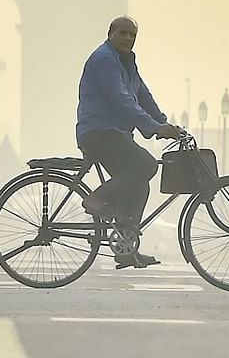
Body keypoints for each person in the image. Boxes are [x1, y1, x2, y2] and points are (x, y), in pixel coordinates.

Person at [76, 16, 181, 269]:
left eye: (132, 35)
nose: (127, 38)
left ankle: (125, 248)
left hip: (114, 133)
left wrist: (165, 123)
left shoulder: (126, 63)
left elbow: (142, 95)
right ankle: (95, 199)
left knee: (138, 186)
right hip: (99, 131)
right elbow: (122, 100)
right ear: (110, 33)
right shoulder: (104, 60)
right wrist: (154, 128)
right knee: (146, 164)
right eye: (122, 33)